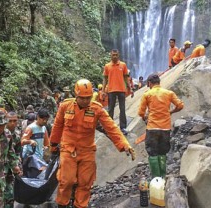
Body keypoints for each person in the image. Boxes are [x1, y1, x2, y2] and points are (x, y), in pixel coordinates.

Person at [49, 79, 135, 208]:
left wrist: (124, 144)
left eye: (88, 98)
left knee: (85, 183)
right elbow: (57, 126)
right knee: (67, 181)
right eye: (82, 98)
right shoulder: (65, 106)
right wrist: (53, 145)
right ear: (76, 95)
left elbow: (111, 127)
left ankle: (81, 205)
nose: (85, 101)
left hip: (87, 151)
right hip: (68, 149)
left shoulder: (96, 109)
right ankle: (62, 204)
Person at [138, 74, 184, 179]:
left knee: (152, 153)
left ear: (149, 83)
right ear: (159, 82)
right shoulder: (169, 93)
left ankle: (156, 178)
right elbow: (180, 105)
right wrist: (171, 111)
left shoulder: (147, 94)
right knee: (163, 152)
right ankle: (163, 177)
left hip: (152, 128)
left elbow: (140, 112)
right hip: (165, 128)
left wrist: (145, 117)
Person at [102, 49, 132, 135]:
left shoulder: (123, 65)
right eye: (113, 55)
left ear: (118, 55)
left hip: (121, 90)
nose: (114, 56)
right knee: (110, 109)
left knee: (122, 109)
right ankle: (110, 127)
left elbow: (126, 77)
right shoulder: (107, 66)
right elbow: (105, 78)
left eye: (116, 55)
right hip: (111, 90)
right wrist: (103, 91)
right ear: (110, 55)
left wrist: (130, 88)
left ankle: (123, 127)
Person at [4, 112, 22, 208]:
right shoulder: (0, 133)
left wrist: (18, 166)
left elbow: (18, 153)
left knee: (10, 195)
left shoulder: (18, 134)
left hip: (11, 170)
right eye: (10, 121)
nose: (12, 123)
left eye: (14, 121)